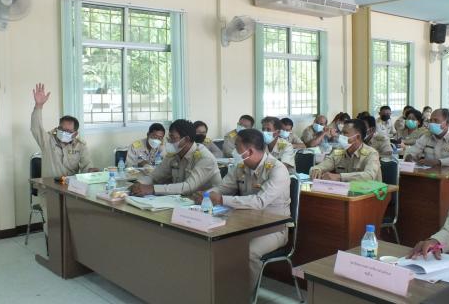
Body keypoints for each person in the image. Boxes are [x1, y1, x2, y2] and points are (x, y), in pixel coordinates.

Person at [198, 128, 291, 292]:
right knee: (213, 241)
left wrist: (220, 199)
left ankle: (242, 295)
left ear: (249, 151)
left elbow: (259, 202)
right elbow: (223, 187)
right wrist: (207, 195)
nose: (234, 151)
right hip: (243, 224)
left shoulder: (277, 169)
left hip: (274, 229)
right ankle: (218, 290)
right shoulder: (241, 166)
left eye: (237, 147)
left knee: (249, 252)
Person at [31, 83, 95, 235]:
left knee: (85, 214)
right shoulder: (47, 141)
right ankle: (55, 252)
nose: (64, 132)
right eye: (62, 129)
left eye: (68, 131)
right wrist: (38, 106)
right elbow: (35, 128)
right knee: (54, 220)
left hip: (72, 188)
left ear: (75, 133)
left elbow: (87, 166)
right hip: (49, 189)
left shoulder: (80, 145)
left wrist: (92, 171)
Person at [130, 119, 222, 196]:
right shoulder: (173, 154)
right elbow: (155, 176)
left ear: (186, 139)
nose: (169, 141)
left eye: (173, 137)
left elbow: (188, 187)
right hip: (182, 201)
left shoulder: (205, 158)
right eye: (169, 137)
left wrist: (152, 188)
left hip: (207, 203)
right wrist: (139, 183)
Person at [309, 119, 382, 182]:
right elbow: (322, 165)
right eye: (341, 132)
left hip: (370, 194)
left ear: (358, 137)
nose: (341, 135)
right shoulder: (339, 151)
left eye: (345, 133)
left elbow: (369, 176)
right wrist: (316, 170)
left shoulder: (371, 153)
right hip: (347, 194)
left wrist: (339, 177)